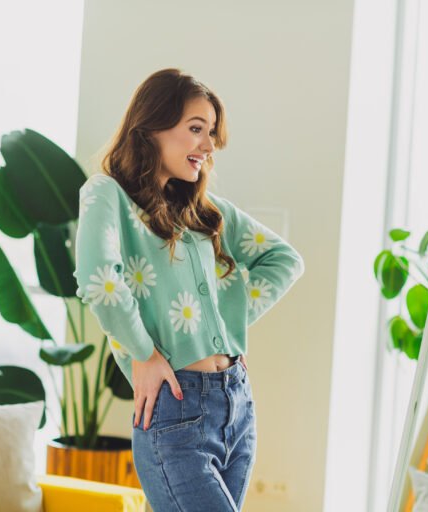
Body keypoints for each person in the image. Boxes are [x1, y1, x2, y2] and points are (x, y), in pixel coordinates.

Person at [73, 68, 305, 511]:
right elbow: (99, 281)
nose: (208, 145)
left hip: (236, 402)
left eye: (212, 133)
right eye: (196, 129)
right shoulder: (107, 195)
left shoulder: (202, 211)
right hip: (176, 410)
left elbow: (284, 261)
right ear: (151, 127)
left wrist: (214, 323)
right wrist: (143, 352)